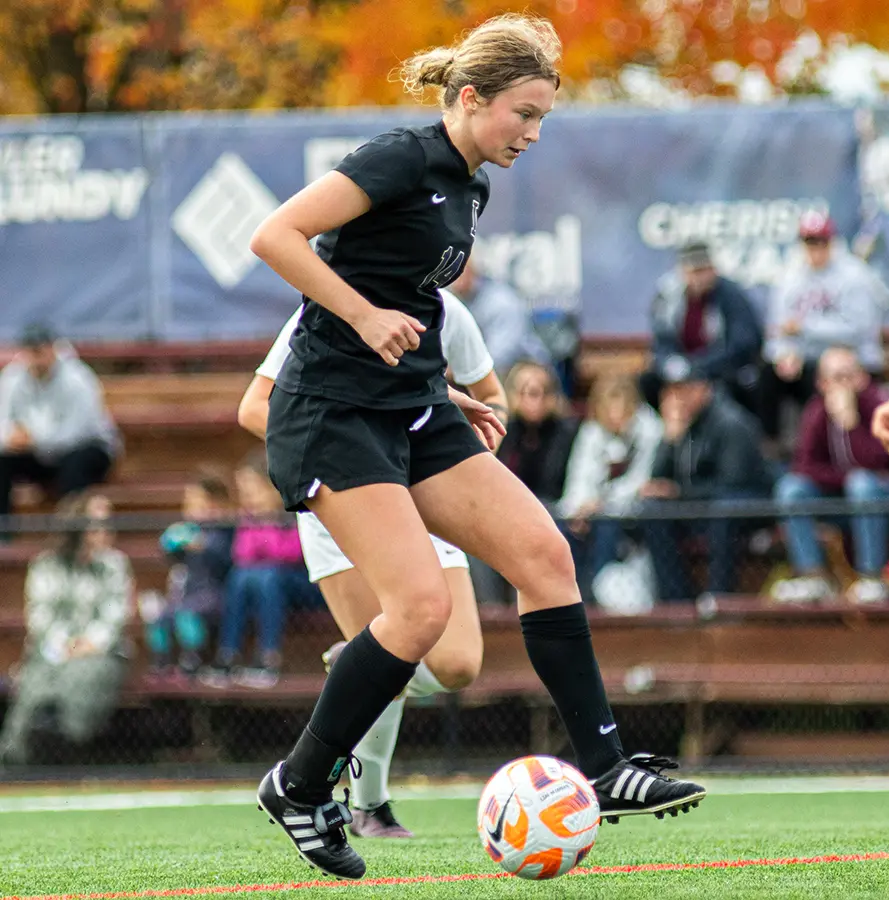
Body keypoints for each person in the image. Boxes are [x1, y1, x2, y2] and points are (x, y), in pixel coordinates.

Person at [248, 14, 704, 880]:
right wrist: (360, 315)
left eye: (543, 119)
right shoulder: (398, 157)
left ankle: (605, 770)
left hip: (413, 407)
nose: (531, 135)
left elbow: (409, 302)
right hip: (331, 416)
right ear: (468, 99)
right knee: (419, 612)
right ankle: (300, 785)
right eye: (522, 115)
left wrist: (444, 383)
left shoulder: (470, 184)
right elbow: (273, 236)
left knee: (544, 555)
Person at [238, 287, 505, 837]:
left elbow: (492, 398)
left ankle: (355, 670)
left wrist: (464, 455)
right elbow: (254, 407)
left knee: (457, 665)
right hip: (344, 499)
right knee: (391, 652)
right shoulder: (327, 308)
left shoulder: (448, 312)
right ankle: (370, 807)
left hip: (422, 497)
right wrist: (338, 459)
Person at [0, 492, 132, 765]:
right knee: (36, 678)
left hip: (100, 651)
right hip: (52, 647)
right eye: (98, 523)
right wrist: (64, 644)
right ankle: (16, 753)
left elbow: (116, 613)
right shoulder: (46, 564)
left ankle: (62, 740)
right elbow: (40, 614)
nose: (106, 530)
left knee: (83, 673)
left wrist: (90, 643)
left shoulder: (114, 564)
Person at [773, 347, 889, 605]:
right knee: (791, 488)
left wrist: (850, 424)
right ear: (821, 382)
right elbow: (804, 466)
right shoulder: (817, 410)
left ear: (862, 377)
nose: (841, 384)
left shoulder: (879, 403)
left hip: (885, 498)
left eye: (847, 375)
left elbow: (881, 459)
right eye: (833, 377)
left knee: (863, 484)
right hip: (841, 497)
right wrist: (844, 479)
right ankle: (813, 577)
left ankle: (872, 577)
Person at [759, 212, 889, 446]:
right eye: (809, 242)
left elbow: (859, 329)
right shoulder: (791, 276)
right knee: (765, 375)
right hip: (806, 359)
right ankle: (770, 445)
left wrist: (806, 329)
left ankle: (824, 450)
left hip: (854, 360)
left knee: (824, 376)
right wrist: (783, 353)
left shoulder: (854, 275)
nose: (815, 249)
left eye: (821, 242)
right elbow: (778, 328)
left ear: (832, 242)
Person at [639, 367, 772, 602]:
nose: (676, 398)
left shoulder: (730, 422)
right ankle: (676, 599)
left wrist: (680, 492)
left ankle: (718, 597)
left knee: (724, 509)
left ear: (703, 389)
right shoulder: (682, 422)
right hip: (699, 505)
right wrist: (669, 441)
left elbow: (733, 484)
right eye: (672, 391)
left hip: (749, 507)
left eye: (683, 390)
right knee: (652, 509)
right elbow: (657, 481)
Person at [203, 450, 318, 689]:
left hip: (305, 584)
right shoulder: (250, 516)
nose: (248, 499)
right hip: (267, 582)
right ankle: (228, 655)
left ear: (273, 487)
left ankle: (268, 658)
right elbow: (241, 554)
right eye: (244, 493)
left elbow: (292, 553)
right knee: (239, 576)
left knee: (267, 576)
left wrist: (265, 532)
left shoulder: (297, 510)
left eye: (253, 491)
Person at [0, 324, 120, 533]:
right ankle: (3, 532)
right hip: (38, 453)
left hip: (87, 449)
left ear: (53, 349)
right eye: (31, 351)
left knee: (75, 464)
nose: (36, 358)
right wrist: (9, 438)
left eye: (41, 350)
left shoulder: (78, 379)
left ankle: (71, 535)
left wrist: (32, 439)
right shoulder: (12, 378)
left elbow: (75, 433)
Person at [557, 375, 663, 602]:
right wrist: (577, 509)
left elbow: (640, 480)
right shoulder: (591, 431)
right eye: (609, 409)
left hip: (632, 513)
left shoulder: (650, 429)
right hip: (594, 511)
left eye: (622, 410)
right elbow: (579, 476)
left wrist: (600, 503)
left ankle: (595, 598)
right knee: (563, 529)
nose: (615, 417)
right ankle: (568, 598)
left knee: (606, 524)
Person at [639, 242, 763, 413]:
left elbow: (742, 344)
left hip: (718, 370)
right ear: (682, 272)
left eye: (704, 270)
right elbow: (661, 339)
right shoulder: (668, 297)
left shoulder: (731, 295)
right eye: (694, 271)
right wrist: (670, 363)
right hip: (680, 369)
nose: (700, 278)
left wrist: (698, 367)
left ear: (713, 269)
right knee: (648, 382)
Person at [145, 469, 234, 678]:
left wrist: (204, 546)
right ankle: (161, 661)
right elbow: (171, 556)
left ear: (215, 504)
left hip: (214, 593)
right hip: (188, 592)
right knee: (159, 614)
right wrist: (172, 543)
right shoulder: (189, 530)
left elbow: (224, 561)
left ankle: (192, 658)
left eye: (197, 502)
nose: (190, 507)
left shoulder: (224, 529)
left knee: (188, 612)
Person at [449, 257, 551, 375]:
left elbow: (500, 358)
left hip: (525, 371)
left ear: (472, 270)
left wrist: (456, 371)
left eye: (458, 269)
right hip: (487, 373)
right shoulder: (454, 300)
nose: (451, 276)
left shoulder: (501, 301)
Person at [497, 361, 578, 509]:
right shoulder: (503, 432)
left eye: (545, 391)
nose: (538, 400)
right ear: (513, 394)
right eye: (531, 392)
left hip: (555, 514)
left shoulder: (568, 433)